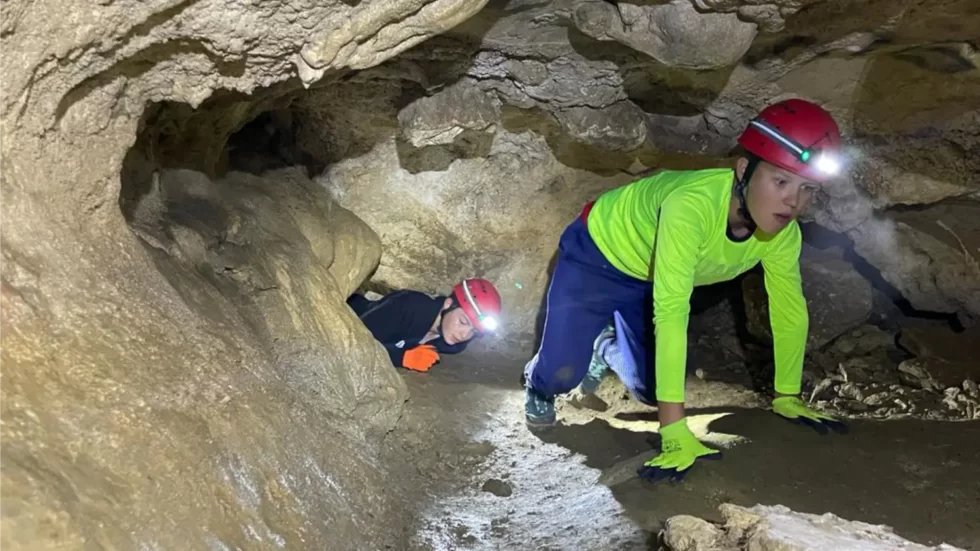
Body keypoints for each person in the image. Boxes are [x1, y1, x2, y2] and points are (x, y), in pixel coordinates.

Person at [522, 98, 848, 482]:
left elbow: (789, 309)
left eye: (807, 188)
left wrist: (787, 395)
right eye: (781, 181)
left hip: (651, 276)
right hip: (598, 255)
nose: (794, 201)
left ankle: (604, 346)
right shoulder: (691, 206)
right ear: (744, 170)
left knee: (653, 390)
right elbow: (672, 313)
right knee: (562, 374)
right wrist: (673, 431)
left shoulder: (782, 236)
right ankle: (538, 383)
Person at [348, 278, 502, 372]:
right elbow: (352, 344)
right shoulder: (407, 306)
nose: (464, 335)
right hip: (347, 307)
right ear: (448, 304)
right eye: (463, 322)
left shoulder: (453, 343)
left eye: (474, 332)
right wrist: (401, 357)